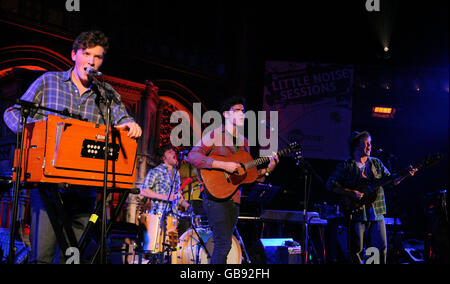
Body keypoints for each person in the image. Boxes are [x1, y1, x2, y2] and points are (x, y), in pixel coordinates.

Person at [3, 30, 142, 263]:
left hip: (86, 187)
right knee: (44, 255)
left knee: (74, 255)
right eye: (86, 54)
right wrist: (36, 131)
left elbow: (123, 121)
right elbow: (14, 113)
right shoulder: (49, 81)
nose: (92, 60)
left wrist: (129, 123)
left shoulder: (105, 94)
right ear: (74, 55)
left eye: (97, 57)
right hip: (48, 183)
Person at [186, 96, 278, 264]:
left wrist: (266, 170)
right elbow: (192, 156)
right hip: (214, 196)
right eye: (238, 111)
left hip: (233, 198)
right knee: (223, 244)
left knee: (226, 245)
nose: (242, 114)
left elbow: (246, 175)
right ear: (226, 115)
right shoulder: (214, 135)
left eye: (243, 111)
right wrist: (222, 165)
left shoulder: (244, 142)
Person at [326, 131, 417, 264]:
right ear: (356, 145)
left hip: (377, 213)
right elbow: (330, 184)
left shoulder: (376, 163)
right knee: (356, 251)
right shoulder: (346, 165)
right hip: (356, 214)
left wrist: (405, 175)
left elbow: (391, 181)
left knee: (379, 249)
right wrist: (351, 193)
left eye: (370, 143)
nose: (370, 147)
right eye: (367, 144)